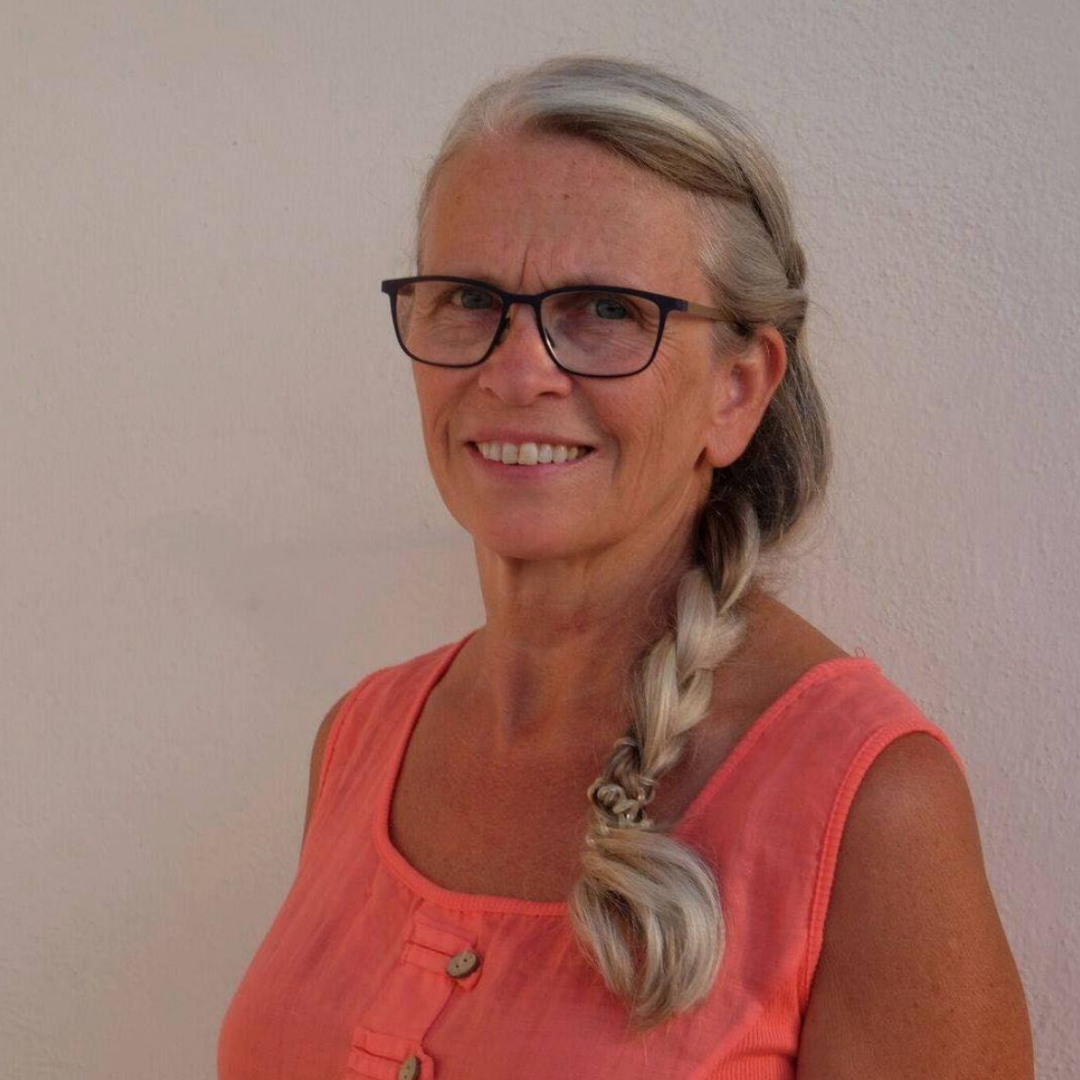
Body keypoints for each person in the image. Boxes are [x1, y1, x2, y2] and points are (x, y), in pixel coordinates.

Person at [217, 55, 1034, 1079]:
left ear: (737, 389)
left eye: (605, 309)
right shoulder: (359, 741)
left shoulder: (867, 807)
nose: (517, 371)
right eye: (468, 297)